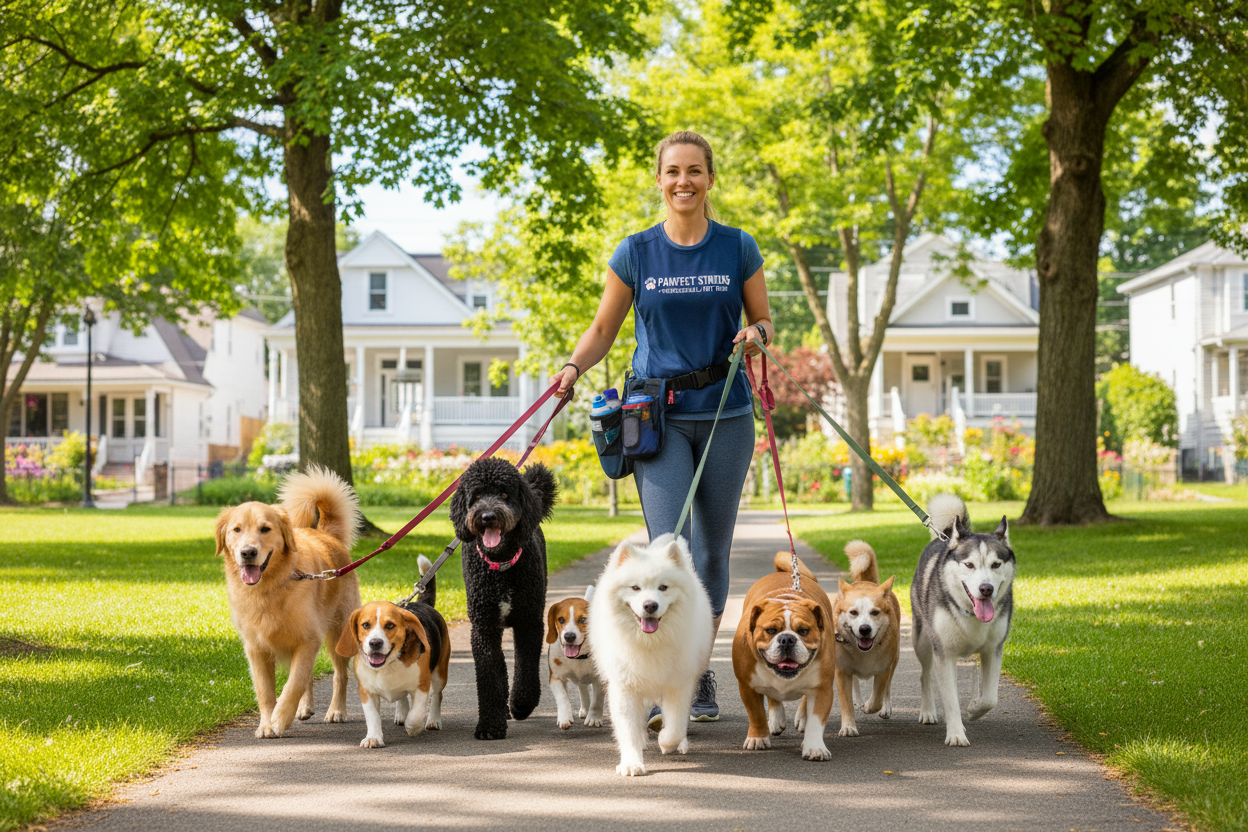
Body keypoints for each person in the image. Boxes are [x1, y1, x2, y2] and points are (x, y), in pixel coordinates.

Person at [548, 130, 774, 725]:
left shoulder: (737, 247)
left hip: (725, 413)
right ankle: (661, 673)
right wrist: (574, 367)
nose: (683, 181)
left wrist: (758, 336)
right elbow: (603, 329)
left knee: (711, 552)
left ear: (710, 179)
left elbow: (764, 320)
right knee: (668, 549)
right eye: (673, 171)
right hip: (658, 419)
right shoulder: (636, 253)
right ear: (659, 179)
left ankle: (696, 673)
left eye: (695, 171)